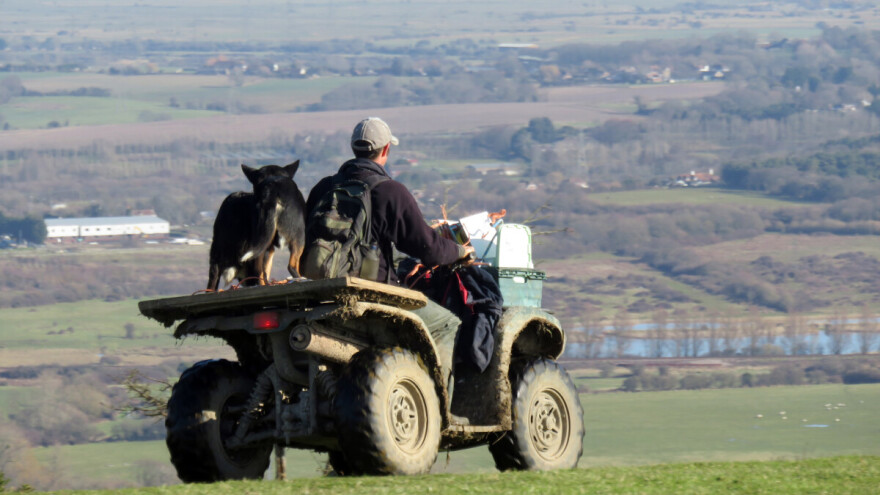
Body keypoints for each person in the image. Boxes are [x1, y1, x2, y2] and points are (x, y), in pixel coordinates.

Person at [304, 117, 474, 335]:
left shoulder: (323, 188)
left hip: (321, 292)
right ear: (385, 149)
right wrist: (460, 251)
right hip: (375, 294)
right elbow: (429, 250)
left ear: (353, 148)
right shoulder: (390, 192)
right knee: (446, 324)